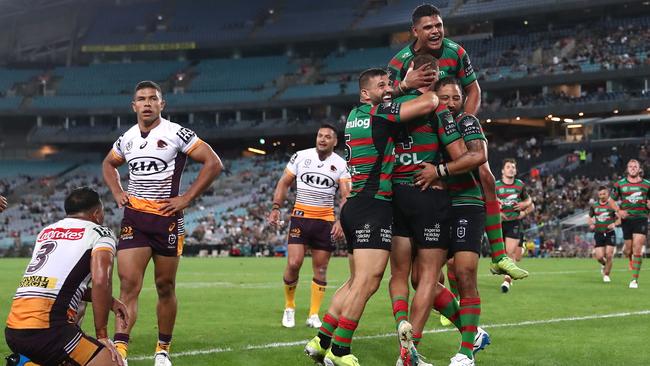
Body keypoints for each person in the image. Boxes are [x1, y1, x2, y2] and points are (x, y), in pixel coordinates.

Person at [304, 68, 441, 366]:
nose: (388, 89)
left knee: (355, 281)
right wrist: (406, 85)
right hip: (373, 205)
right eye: (382, 86)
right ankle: (339, 350)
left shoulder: (356, 114)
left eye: (389, 83)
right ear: (366, 93)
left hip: (355, 205)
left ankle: (322, 338)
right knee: (368, 281)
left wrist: (394, 89)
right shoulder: (380, 113)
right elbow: (430, 101)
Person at [102, 81, 222, 365]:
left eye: (152, 99)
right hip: (135, 219)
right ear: (133, 106)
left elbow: (213, 162)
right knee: (128, 285)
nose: (146, 103)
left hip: (167, 220)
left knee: (165, 286)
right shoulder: (127, 138)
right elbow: (108, 164)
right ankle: (120, 351)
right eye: (141, 99)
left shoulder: (176, 133)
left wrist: (187, 198)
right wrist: (118, 191)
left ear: (161, 104)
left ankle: (162, 349)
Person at [388, 56, 490, 366]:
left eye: (454, 97)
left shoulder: (390, 106)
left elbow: (477, 161)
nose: (447, 101)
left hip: (426, 198)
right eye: (442, 94)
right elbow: (464, 155)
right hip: (430, 197)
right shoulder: (433, 110)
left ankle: (421, 349)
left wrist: (440, 171)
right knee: (424, 278)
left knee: (443, 274)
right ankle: (456, 337)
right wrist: (439, 170)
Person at [4, 187, 128, 366]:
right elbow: (102, 280)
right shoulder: (100, 233)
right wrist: (103, 336)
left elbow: (59, 283)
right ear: (96, 213)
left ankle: (24, 362)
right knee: (114, 363)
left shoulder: (46, 232)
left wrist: (110, 301)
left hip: (14, 330)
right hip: (48, 331)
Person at [268, 124, 351, 329]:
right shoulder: (300, 156)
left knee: (321, 270)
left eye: (327, 137)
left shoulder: (341, 164)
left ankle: (313, 314)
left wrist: (341, 220)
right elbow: (284, 182)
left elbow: (346, 195)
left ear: (335, 141)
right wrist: (276, 207)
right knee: (294, 263)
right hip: (301, 218)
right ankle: (289, 307)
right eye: (320, 135)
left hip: (325, 222)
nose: (322, 139)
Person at [387, 4, 481, 115]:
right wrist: (404, 85)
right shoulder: (399, 62)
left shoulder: (456, 52)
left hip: (450, 124)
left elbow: (473, 90)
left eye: (438, 25)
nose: (435, 31)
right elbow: (386, 101)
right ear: (415, 31)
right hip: (415, 126)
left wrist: (466, 121)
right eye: (428, 27)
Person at [495, 158, 533, 293]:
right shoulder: (496, 186)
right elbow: (488, 202)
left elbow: (530, 202)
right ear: (502, 171)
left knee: (509, 252)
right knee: (516, 256)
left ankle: (506, 281)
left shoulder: (520, 185)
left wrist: (523, 209)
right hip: (499, 224)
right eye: (508, 167)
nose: (511, 169)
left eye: (513, 167)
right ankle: (522, 249)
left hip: (514, 223)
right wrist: (497, 213)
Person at [611, 159, 650, 289]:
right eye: (630, 166)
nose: (633, 168)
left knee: (637, 248)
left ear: (639, 169)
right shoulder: (620, 184)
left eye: (635, 166)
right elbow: (611, 200)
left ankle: (634, 280)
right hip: (626, 220)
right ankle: (630, 259)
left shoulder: (647, 184)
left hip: (641, 218)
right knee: (628, 250)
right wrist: (619, 211)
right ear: (627, 169)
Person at [588, 186, 620, 282]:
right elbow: (589, 217)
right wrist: (591, 224)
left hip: (610, 233)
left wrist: (614, 224)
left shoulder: (612, 206)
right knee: (599, 257)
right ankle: (604, 264)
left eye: (604, 194)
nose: (602, 196)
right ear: (598, 195)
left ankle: (606, 275)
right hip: (599, 233)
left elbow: (619, 218)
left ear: (608, 194)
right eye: (600, 194)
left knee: (609, 255)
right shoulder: (594, 206)